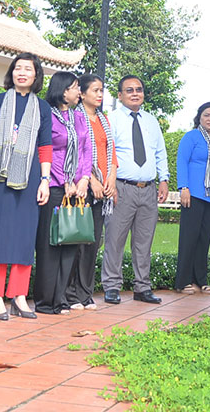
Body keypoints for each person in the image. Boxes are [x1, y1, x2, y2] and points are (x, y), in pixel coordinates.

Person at [0, 53, 53, 319]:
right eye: (18, 68)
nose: (22, 73)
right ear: (12, 73)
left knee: (23, 237)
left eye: (28, 69)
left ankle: (19, 296)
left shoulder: (43, 108)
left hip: (30, 176)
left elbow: (45, 146)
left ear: (36, 76)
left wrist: (45, 181)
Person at [102, 75, 168, 305]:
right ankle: (111, 286)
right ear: (119, 95)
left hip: (148, 189)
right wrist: (110, 184)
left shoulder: (151, 121)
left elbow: (160, 152)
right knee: (114, 239)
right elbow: (107, 153)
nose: (135, 93)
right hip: (122, 187)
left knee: (144, 242)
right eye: (129, 90)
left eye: (139, 89)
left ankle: (142, 287)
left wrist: (164, 179)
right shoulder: (111, 120)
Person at [33, 71, 92, 314]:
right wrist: (64, 180)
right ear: (63, 89)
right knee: (50, 244)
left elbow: (86, 150)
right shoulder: (47, 115)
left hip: (77, 189)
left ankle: (62, 298)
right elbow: (45, 149)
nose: (79, 92)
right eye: (76, 87)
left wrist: (84, 179)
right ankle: (47, 301)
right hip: (55, 187)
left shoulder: (79, 117)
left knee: (70, 243)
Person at [68, 73, 115, 310]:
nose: (100, 95)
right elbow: (75, 154)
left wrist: (111, 180)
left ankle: (86, 293)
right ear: (82, 93)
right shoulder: (75, 118)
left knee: (93, 242)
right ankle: (72, 293)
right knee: (77, 241)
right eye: (95, 90)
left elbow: (111, 153)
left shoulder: (103, 120)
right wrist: (92, 179)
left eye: (101, 90)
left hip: (103, 190)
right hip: (83, 186)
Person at [174, 102, 210, 294]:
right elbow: (181, 161)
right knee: (189, 238)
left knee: (204, 238)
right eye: (207, 115)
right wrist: (184, 188)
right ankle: (183, 281)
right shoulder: (191, 137)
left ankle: (201, 279)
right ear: (199, 117)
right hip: (194, 194)